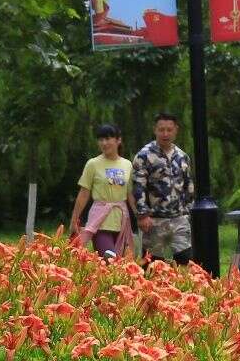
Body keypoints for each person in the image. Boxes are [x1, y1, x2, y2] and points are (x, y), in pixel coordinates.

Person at [133, 112, 195, 264]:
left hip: (179, 218)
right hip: (154, 220)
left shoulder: (182, 156)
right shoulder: (144, 156)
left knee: (186, 262)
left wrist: (189, 211)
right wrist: (142, 215)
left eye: (169, 129)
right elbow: (138, 186)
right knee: (152, 265)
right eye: (161, 130)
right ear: (155, 130)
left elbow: (189, 186)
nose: (165, 134)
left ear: (176, 130)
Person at [70, 123, 136, 258]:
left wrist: (140, 216)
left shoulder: (127, 164)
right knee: (109, 258)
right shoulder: (93, 164)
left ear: (118, 140)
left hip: (121, 221)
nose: (104, 143)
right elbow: (84, 194)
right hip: (100, 221)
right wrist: (74, 220)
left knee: (119, 267)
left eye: (108, 139)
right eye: (100, 139)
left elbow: (130, 194)